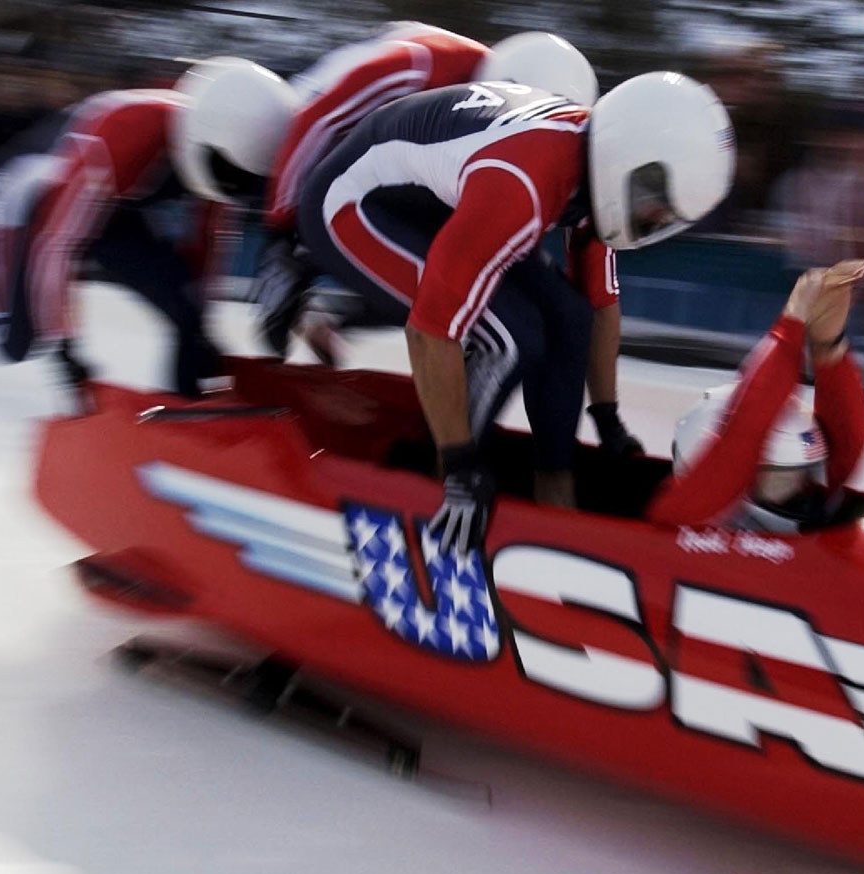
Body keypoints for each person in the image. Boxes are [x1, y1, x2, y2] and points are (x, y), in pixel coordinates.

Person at [295, 72, 735, 556]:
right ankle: (439, 487)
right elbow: (430, 332)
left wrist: (607, 418)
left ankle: (554, 498)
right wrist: (461, 465)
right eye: (657, 202)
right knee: (511, 338)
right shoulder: (522, 184)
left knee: (566, 318)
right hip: (354, 203)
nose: (655, 219)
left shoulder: (593, 164)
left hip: (436, 198)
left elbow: (597, 307)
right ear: (628, 158)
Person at [252, 25, 599, 361]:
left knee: (443, 274)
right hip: (305, 145)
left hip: (386, 177)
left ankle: (334, 317)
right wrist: (279, 231)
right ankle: (294, 266)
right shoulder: (422, 63)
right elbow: (318, 120)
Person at [0, 57, 297, 398]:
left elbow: (208, 241)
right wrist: (64, 345)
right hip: (34, 201)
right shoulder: (122, 134)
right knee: (18, 343)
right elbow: (56, 244)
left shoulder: (219, 156)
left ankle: (188, 411)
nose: (231, 184)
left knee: (186, 310)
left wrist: (199, 326)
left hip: (113, 210)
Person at [650, 259, 864, 532]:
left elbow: (847, 444)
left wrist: (829, 348)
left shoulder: (804, 512)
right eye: (784, 481)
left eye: (803, 477)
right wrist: (791, 322)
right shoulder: (679, 514)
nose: (802, 492)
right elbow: (744, 431)